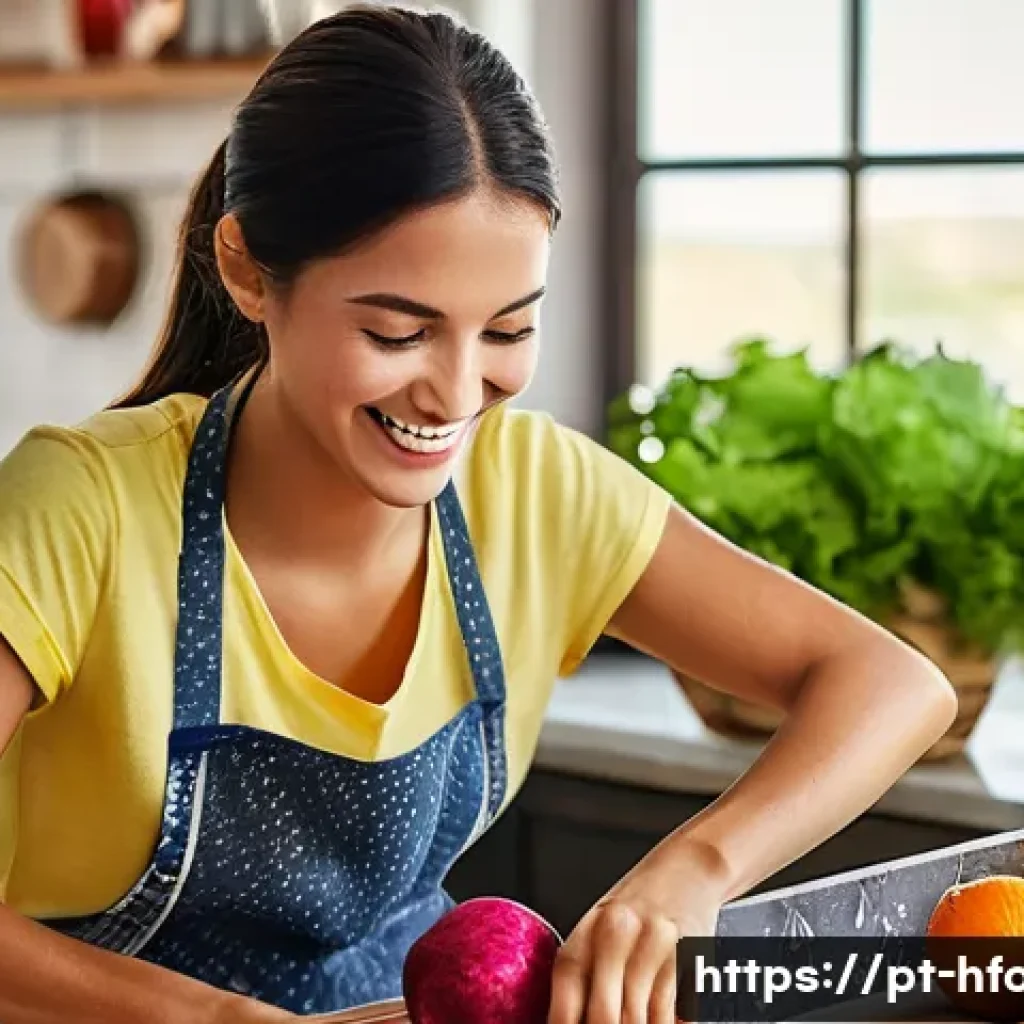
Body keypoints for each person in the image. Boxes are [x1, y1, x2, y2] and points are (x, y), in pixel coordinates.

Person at [0, 5, 956, 1024]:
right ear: (245, 269)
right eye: (397, 332)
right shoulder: (83, 504)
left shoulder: (536, 492)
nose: (456, 394)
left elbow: (894, 685)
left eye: (507, 330)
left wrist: (692, 873)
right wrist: (220, 1020)